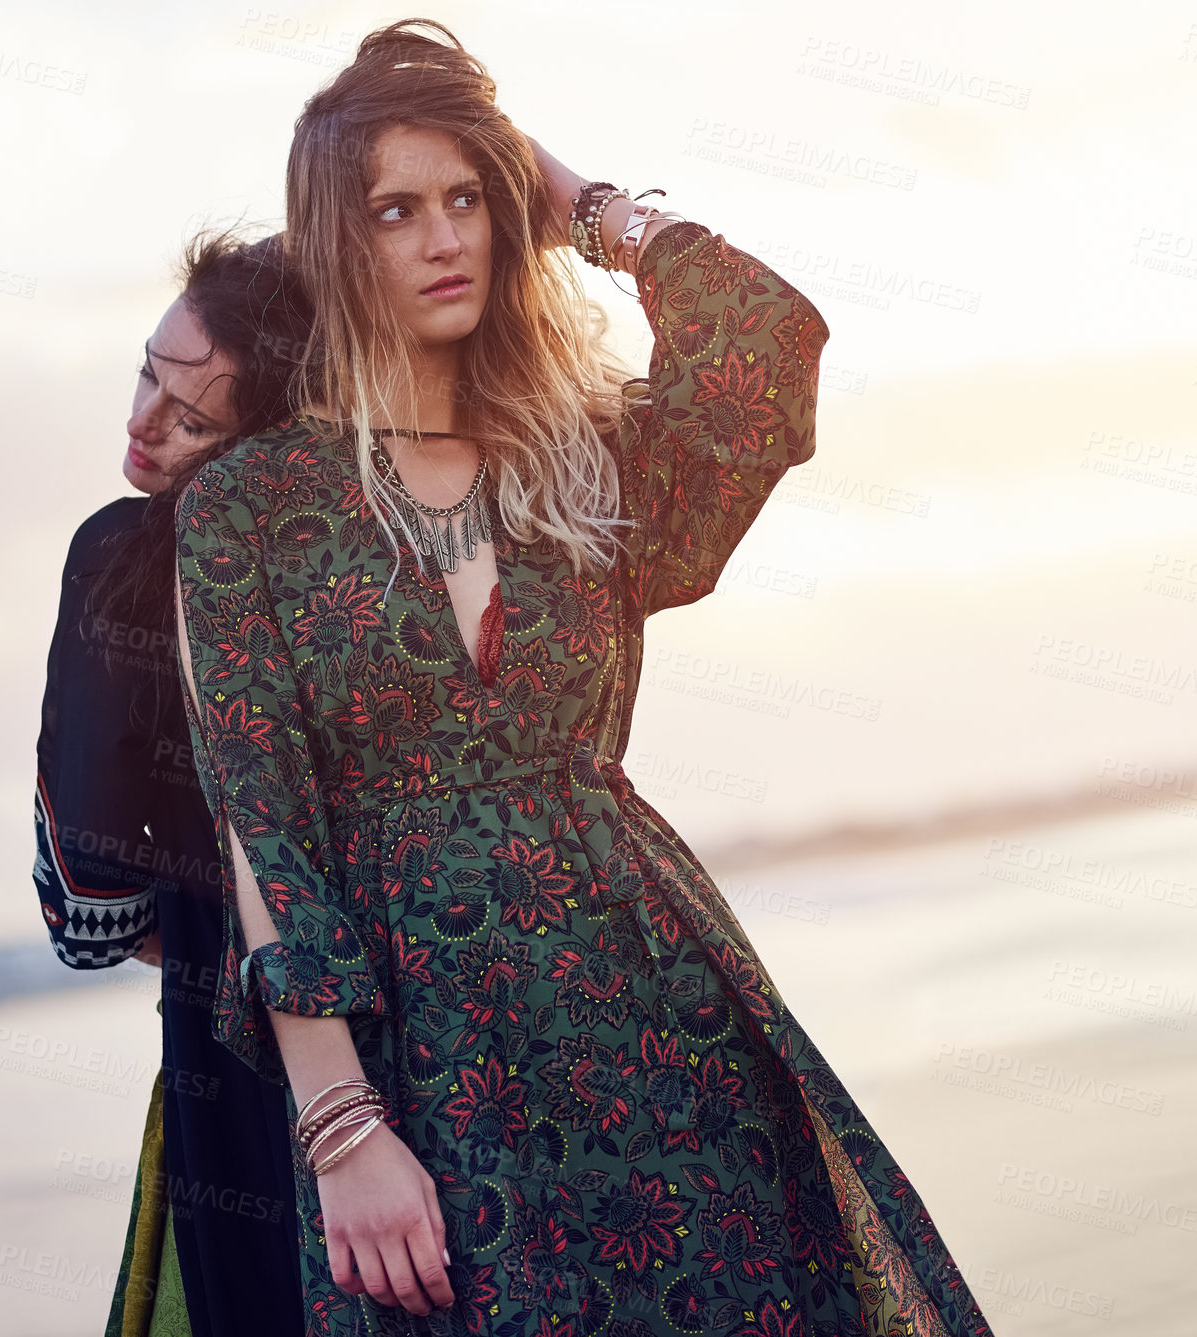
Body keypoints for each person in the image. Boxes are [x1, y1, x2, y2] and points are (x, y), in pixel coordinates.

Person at [173, 20, 992, 1337]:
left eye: (468, 201)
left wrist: (589, 209)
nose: (445, 239)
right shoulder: (247, 511)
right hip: (422, 1058)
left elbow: (765, 348)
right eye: (395, 210)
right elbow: (263, 820)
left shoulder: (588, 451)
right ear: (335, 238)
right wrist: (338, 1128)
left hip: (652, 1000)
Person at [32, 229, 312, 1336]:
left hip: (223, 997)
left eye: (193, 418)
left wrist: (146, 919)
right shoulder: (345, 550)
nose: (145, 420)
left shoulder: (127, 550)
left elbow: (90, 862)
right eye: (150, 370)